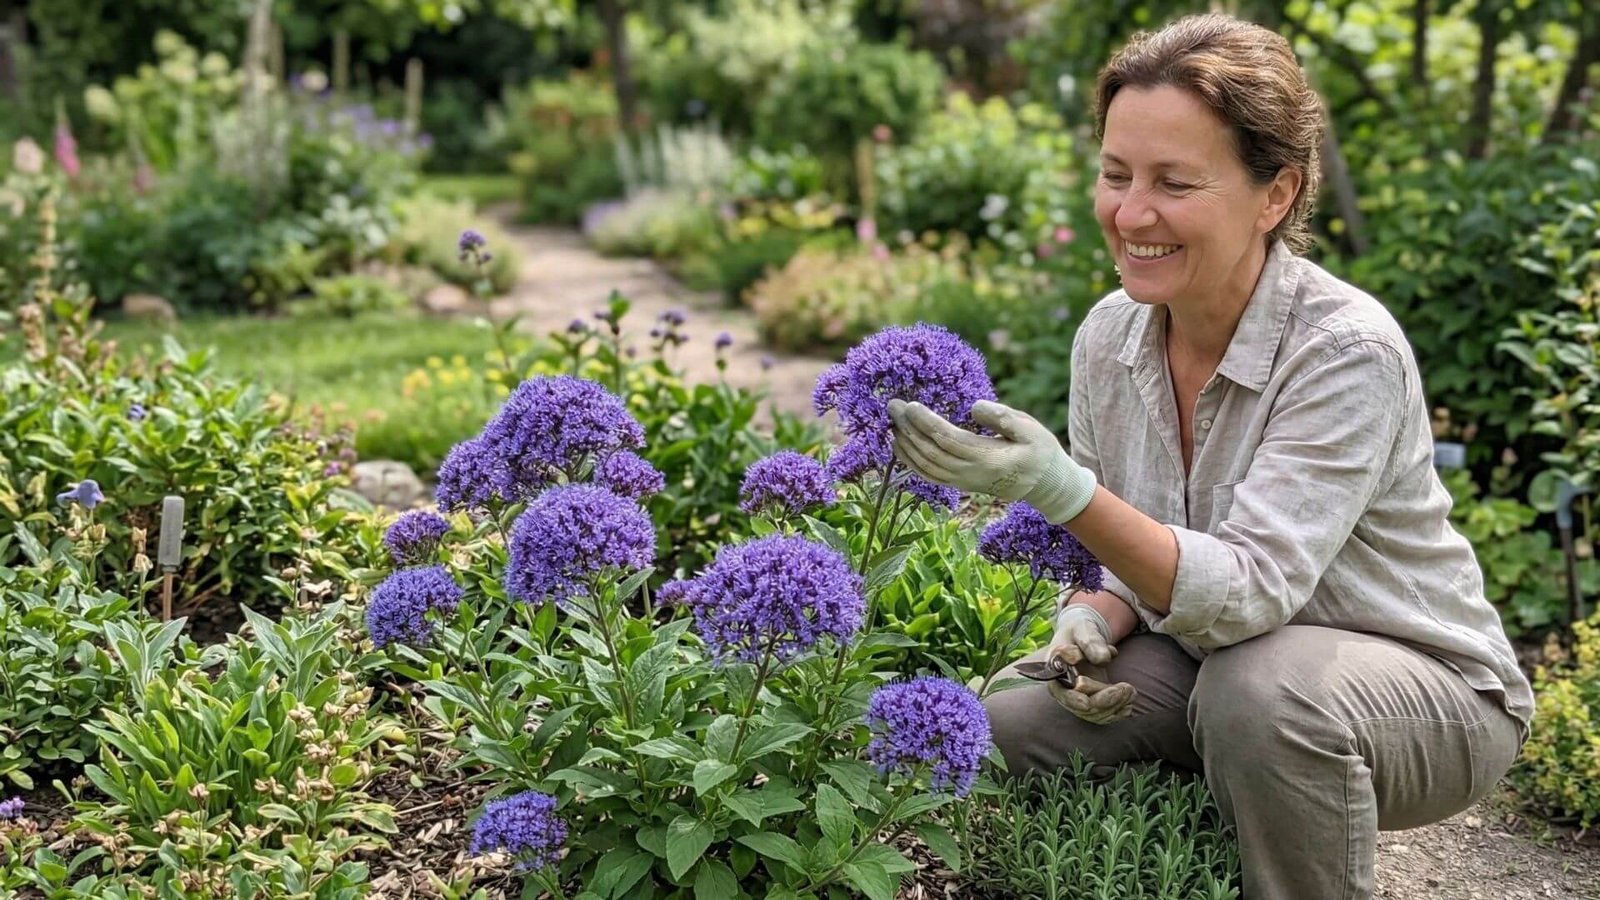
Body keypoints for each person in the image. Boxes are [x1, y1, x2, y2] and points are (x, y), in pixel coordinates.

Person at [885, 12, 1533, 900]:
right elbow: (1129, 550)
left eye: (1175, 183)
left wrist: (1059, 490)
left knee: (1261, 698)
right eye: (1116, 175)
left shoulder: (1345, 351)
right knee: (1007, 719)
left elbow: (1254, 591)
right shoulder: (1108, 337)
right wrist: (1094, 614)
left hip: (1425, 693)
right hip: (1216, 662)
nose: (1131, 213)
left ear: (1275, 195)